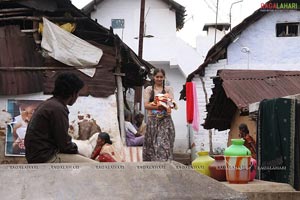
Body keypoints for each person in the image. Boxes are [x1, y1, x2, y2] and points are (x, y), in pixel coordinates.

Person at [25, 72, 96, 163]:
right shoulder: (58, 109)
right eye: (78, 93)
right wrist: (76, 149)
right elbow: (64, 145)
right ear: (73, 93)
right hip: (45, 157)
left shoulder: (50, 104)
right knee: (93, 166)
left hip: (36, 155)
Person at [143, 68, 176, 161]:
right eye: (157, 77)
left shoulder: (168, 89)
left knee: (163, 145)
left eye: (161, 77)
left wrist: (166, 105)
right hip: (153, 121)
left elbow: (171, 104)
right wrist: (159, 106)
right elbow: (146, 105)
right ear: (153, 77)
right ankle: (155, 171)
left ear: (164, 78)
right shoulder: (149, 89)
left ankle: (165, 167)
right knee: (152, 147)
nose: (159, 79)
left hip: (165, 121)